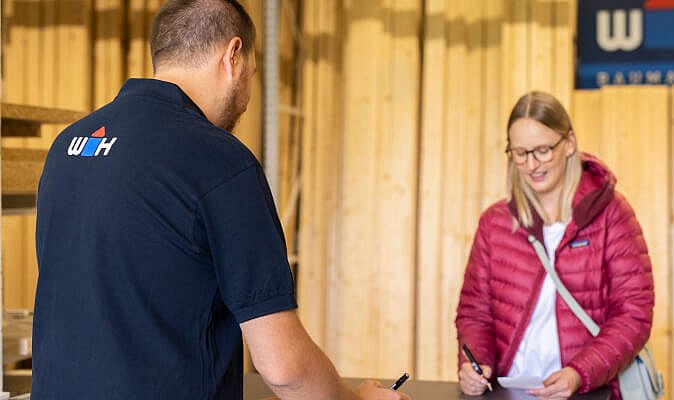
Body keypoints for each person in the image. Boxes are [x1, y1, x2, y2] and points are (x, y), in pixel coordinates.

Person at [32, 1, 409, 399]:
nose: (247, 98)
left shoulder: (66, 148)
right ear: (232, 56)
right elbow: (284, 367)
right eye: (252, 74)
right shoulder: (220, 161)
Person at [455, 91, 654, 400]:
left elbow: (634, 313)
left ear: (569, 143)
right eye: (520, 153)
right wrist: (475, 364)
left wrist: (580, 372)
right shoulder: (494, 224)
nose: (532, 164)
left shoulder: (611, 213)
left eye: (543, 150)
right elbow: (475, 314)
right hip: (512, 393)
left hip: (589, 392)